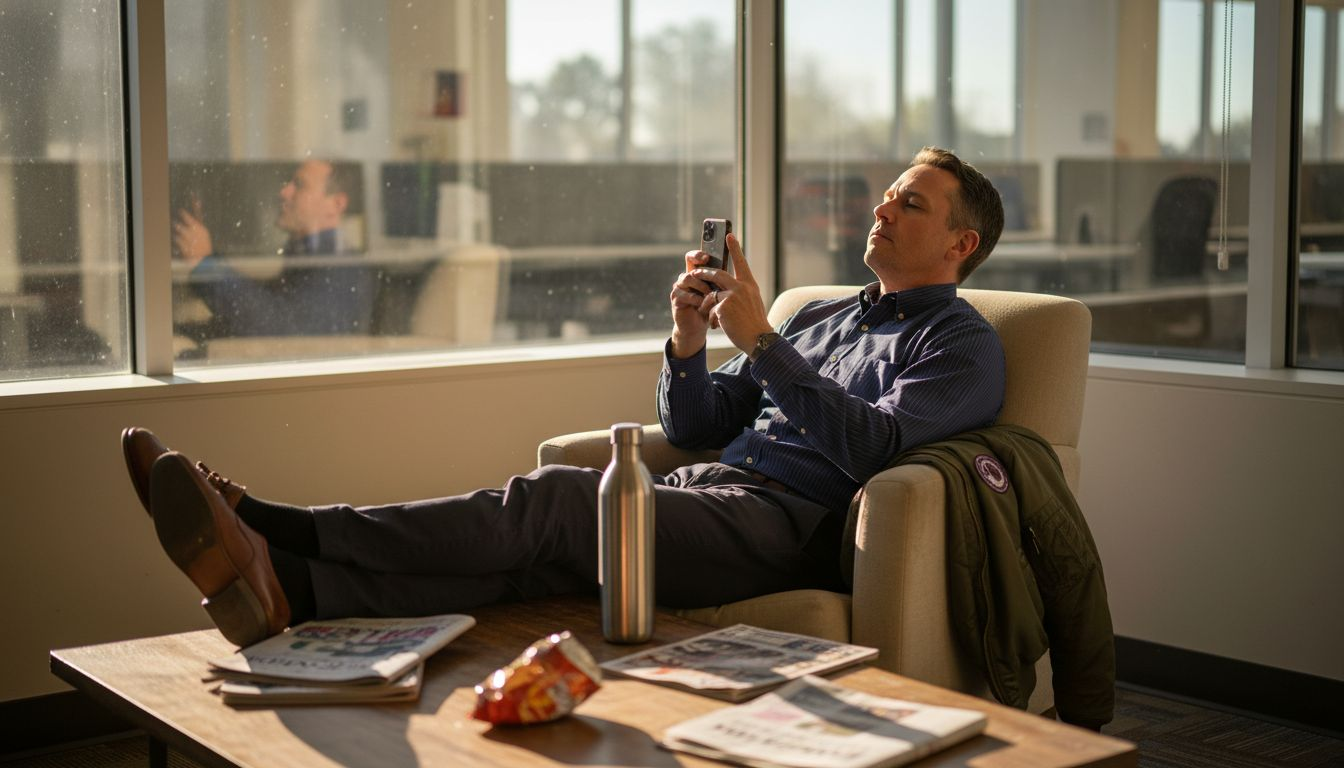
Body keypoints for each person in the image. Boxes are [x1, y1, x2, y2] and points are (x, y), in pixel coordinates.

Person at [124, 146, 1006, 649]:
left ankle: (283, 524)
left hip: (788, 528)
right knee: (531, 563)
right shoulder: (822, 316)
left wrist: (763, 342)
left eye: (912, 205)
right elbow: (695, 426)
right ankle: (297, 590)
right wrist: (691, 341)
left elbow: (877, 454)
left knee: (553, 501)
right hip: (711, 495)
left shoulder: (960, 345)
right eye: (889, 195)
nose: (883, 210)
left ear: (958, 243)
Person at [174, 158, 375, 337]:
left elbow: (281, 330)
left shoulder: (341, 265)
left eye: (300, 185)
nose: (284, 192)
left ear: (336, 204)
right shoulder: (308, 255)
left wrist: (206, 263)